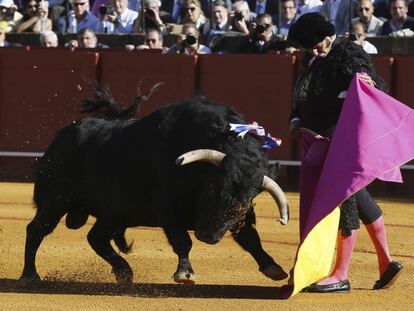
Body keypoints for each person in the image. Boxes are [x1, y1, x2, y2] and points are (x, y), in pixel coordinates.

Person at [288, 12, 402, 293]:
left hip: (343, 141)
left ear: (329, 37)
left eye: (317, 46)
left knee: (345, 202)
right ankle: (386, 262)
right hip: (321, 140)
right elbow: (302, 94)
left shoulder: (349, 52)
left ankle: (341, 273)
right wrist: (296, 119)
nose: (314, 52)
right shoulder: (313, 58)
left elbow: (376, 85)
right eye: (308, 49)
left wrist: (361, 85)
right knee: (357, 196)